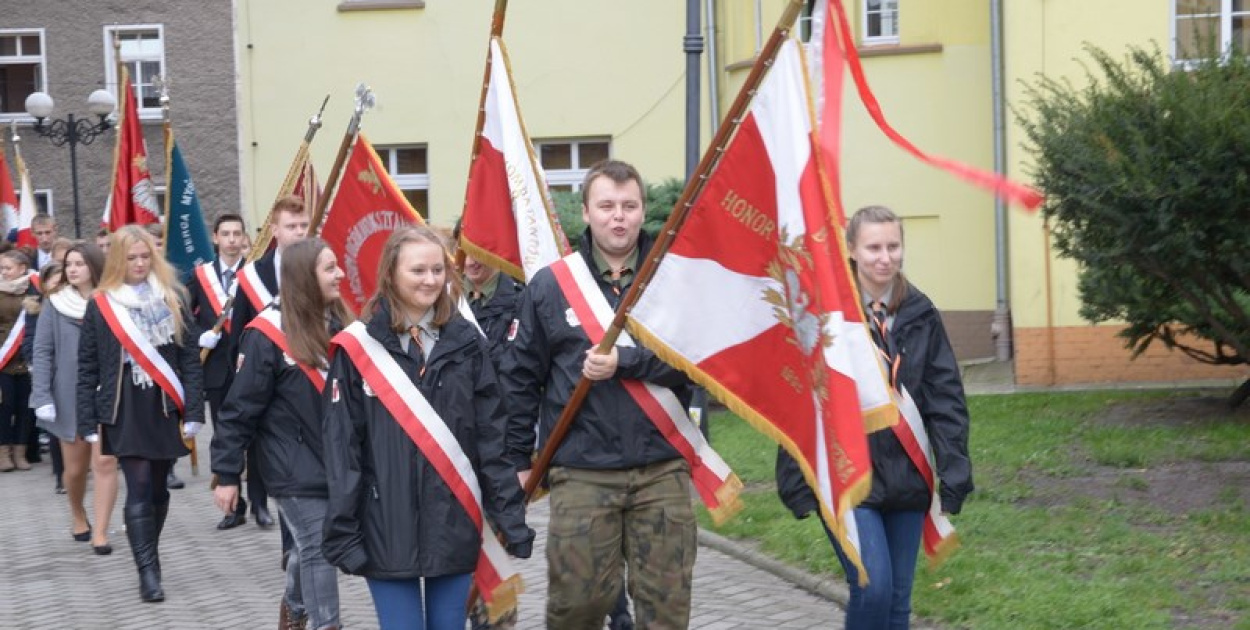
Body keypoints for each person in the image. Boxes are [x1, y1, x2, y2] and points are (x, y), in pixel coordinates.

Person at [500, 160, 697, 629]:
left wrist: (626, 364)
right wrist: (518, 459)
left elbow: (698, 363)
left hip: (661, 467)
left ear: (643, 210)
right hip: (582, 471)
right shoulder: (552, 285)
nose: (619, 216)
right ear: (586, 212)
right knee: (576, 608)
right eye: (607, 205)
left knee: (666, 610)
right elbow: (520, 378)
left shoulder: (673, 280)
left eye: (629, 206)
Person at [323, 225, 534, 630]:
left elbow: (492, 439)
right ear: (391, 274)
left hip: (454, 521)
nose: (430, 280)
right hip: (385, 525)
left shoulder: (467, 343)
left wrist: (510, 518)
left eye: (438, 270)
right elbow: (342, 447)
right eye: (418, 270)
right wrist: (343, 531)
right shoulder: (357, 348)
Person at [777, 205, 974, 630]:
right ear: (852, 250)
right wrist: (795, 479)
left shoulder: (921, 313)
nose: (885, 257)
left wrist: (954, 467)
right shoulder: (827, 316)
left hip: (907, 476)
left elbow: (945, 398)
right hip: (850, 477)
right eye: (873, 248)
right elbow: (803, 398)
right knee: (873, 587)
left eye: (893, 246)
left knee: (898, 603)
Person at [212, 238, 351, 630]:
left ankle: (293, 604)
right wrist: (226, 474)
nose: (340, 273)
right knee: (319, 548)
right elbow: (238, 410)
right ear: (305, 277)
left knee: (312, 548)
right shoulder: (265, 335)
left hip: (333, 458)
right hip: (288, 463)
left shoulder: (339, 324)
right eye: (329, 268)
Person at [76, 225, 204, 603]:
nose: (138, 263)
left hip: (164, 403)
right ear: (118, 260)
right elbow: (87, 367)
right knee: (141, 483)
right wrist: (88, 420)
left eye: (145, 256)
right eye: (130, 257)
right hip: (124, 404)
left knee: (160, 488)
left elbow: (189, 359)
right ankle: (148, 572)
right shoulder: (101, 304)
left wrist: (194, 408)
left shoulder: (173, 297)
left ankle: (147, 546)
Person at [228, 195, 312, 530]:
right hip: (263, 374)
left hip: (303, 378)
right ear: (275, 230)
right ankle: (260, 502)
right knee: (262, 444)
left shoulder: (316, 266)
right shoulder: (253, 276)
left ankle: (291, 536)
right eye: (291, 226)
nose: (299, 232)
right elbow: (240, 332)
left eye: (304, 225)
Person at [31, 243, 121, 553]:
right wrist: (41, 394)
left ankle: (101, 531)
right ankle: (78, 512)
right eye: (69, 264)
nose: (72, 269)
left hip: (107, 392)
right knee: (74, 470)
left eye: (80, 263)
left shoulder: (113, 300)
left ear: (94, 266)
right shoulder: (56, 303)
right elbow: (42, 351)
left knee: (106, 461)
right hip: (68, 395)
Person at [191, 213, 248, 529]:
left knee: (256, 436)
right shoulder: (200, 276)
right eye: (225, 233)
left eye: (236, 233)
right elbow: (184, 316)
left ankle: (262, 502)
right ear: (215, 237)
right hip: (215, 368)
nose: (231, 239)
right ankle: (235, 506)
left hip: (248, 364)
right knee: (225, 433)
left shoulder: (254, 274)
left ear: (243, 239)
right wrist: (200, 334)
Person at [0, 250, 35, 473]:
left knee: (26, 407)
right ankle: (4, 453)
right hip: (3, 358)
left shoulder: (33, 288)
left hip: (26, 358)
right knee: (4, 407)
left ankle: (20, 452)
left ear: (22, 268)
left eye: (8, 268)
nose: (3, 272)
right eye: (1, 268)